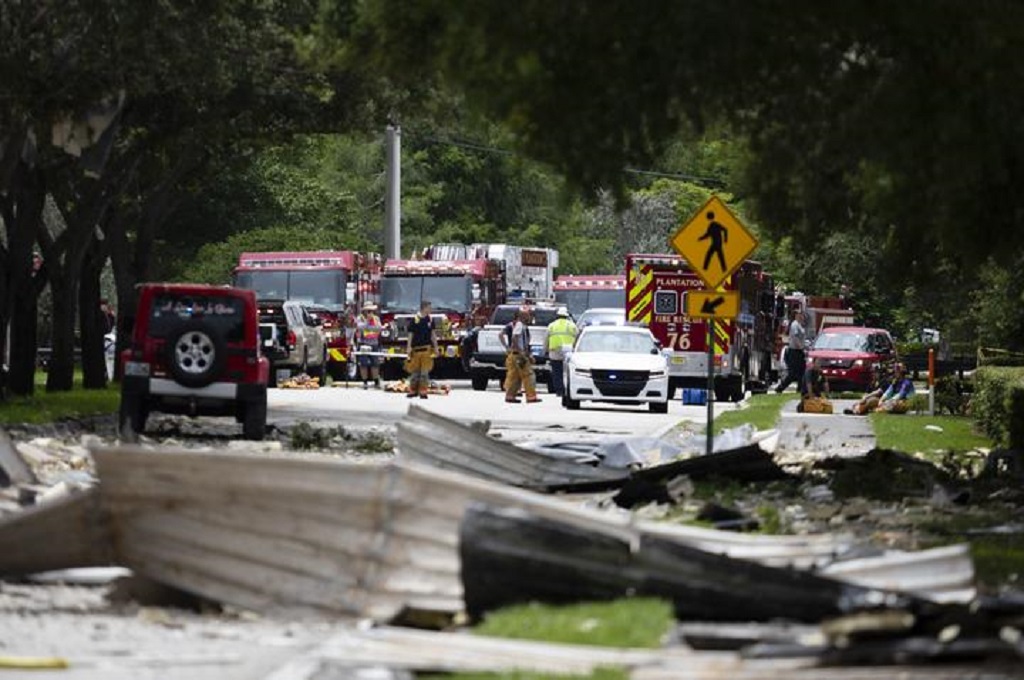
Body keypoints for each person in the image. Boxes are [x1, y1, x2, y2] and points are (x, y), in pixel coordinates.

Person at [500, 308, 540, 404]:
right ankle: (531, 397)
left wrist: (509, 348)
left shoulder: (518, 325)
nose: (529, 317)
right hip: (519, 355)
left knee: (514, 377)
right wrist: (521, 352)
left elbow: (503, 335)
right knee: (529, 375)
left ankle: (510, 396)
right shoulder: (519, 325)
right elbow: (514, 338)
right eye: (528, 315)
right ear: (522, 316)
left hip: (514, 355)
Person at [846, 363, 915, 415]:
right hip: (891, 401)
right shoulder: (895, 382)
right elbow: (888, 392)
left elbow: (900, 395)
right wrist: (881, 400)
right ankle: (859, 410)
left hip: (903, 402)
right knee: (873, 401)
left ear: (901, 372)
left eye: (896, 371)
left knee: (892, 404)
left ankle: (871, 410)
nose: (895, 373)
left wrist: (888, 400)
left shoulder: (906, 383)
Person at [405, 300, 438, 399]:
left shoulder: (430, 320)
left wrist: (436, 347)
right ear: (424, 308)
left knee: (424, 372)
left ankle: (423, 391)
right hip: (416, 350)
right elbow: (410, 334)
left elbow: (433, 335)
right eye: (429, 307)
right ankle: (413, 390)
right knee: (415, 371)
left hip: (426, 350)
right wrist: (409, 347)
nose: (430, 309)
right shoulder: (415, 320)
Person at [545, 307, 578, 397]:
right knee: (567, 372)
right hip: (568, 352)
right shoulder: (572, 325)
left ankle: (559, 391)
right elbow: (577, 337)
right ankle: (567, 390)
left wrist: (545, 350)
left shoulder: (551, 325)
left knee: (557, 372)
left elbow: (546, 339)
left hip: (554, 352)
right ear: (566, 316)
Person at [775, 309, 807, 393]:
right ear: (796, 315)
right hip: (794, 351)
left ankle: (800, 389)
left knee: (802, 371)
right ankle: (780, 388)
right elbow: (795, 338)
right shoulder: (794, 324)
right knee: (793, 373)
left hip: (799, 351)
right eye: (800, 314)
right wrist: (801, 347)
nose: (802, 316)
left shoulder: (799, 324)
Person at [356, 302, 383, 389]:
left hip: (374, 343)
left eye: (371, 311)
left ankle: (376, 381)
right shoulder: (360, 318)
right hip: (363, 343)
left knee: (375, 363)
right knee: (363, 364)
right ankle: (365, 382)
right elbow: (360, 327)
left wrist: (369, 327)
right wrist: (367, 321)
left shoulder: (376, 318)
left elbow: (379, 328)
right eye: (368, 311)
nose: (370, 312)